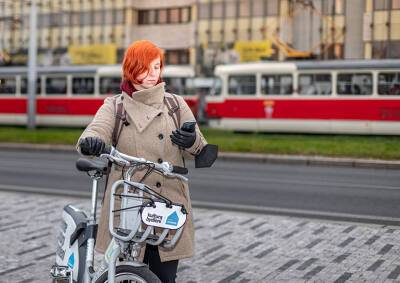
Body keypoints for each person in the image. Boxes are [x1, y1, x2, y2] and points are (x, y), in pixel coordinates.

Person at [77, 40, 216, 282]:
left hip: (168, 204)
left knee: (164, 277)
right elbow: (96, 130)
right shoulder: (115, 106)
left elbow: (201, 150)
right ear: (131, 68)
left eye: (157, 67)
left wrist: (190, 140)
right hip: (128, 204)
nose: (153, 74)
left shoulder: (175, 104)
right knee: (124, 274)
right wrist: (93, 142)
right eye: (145, 67)